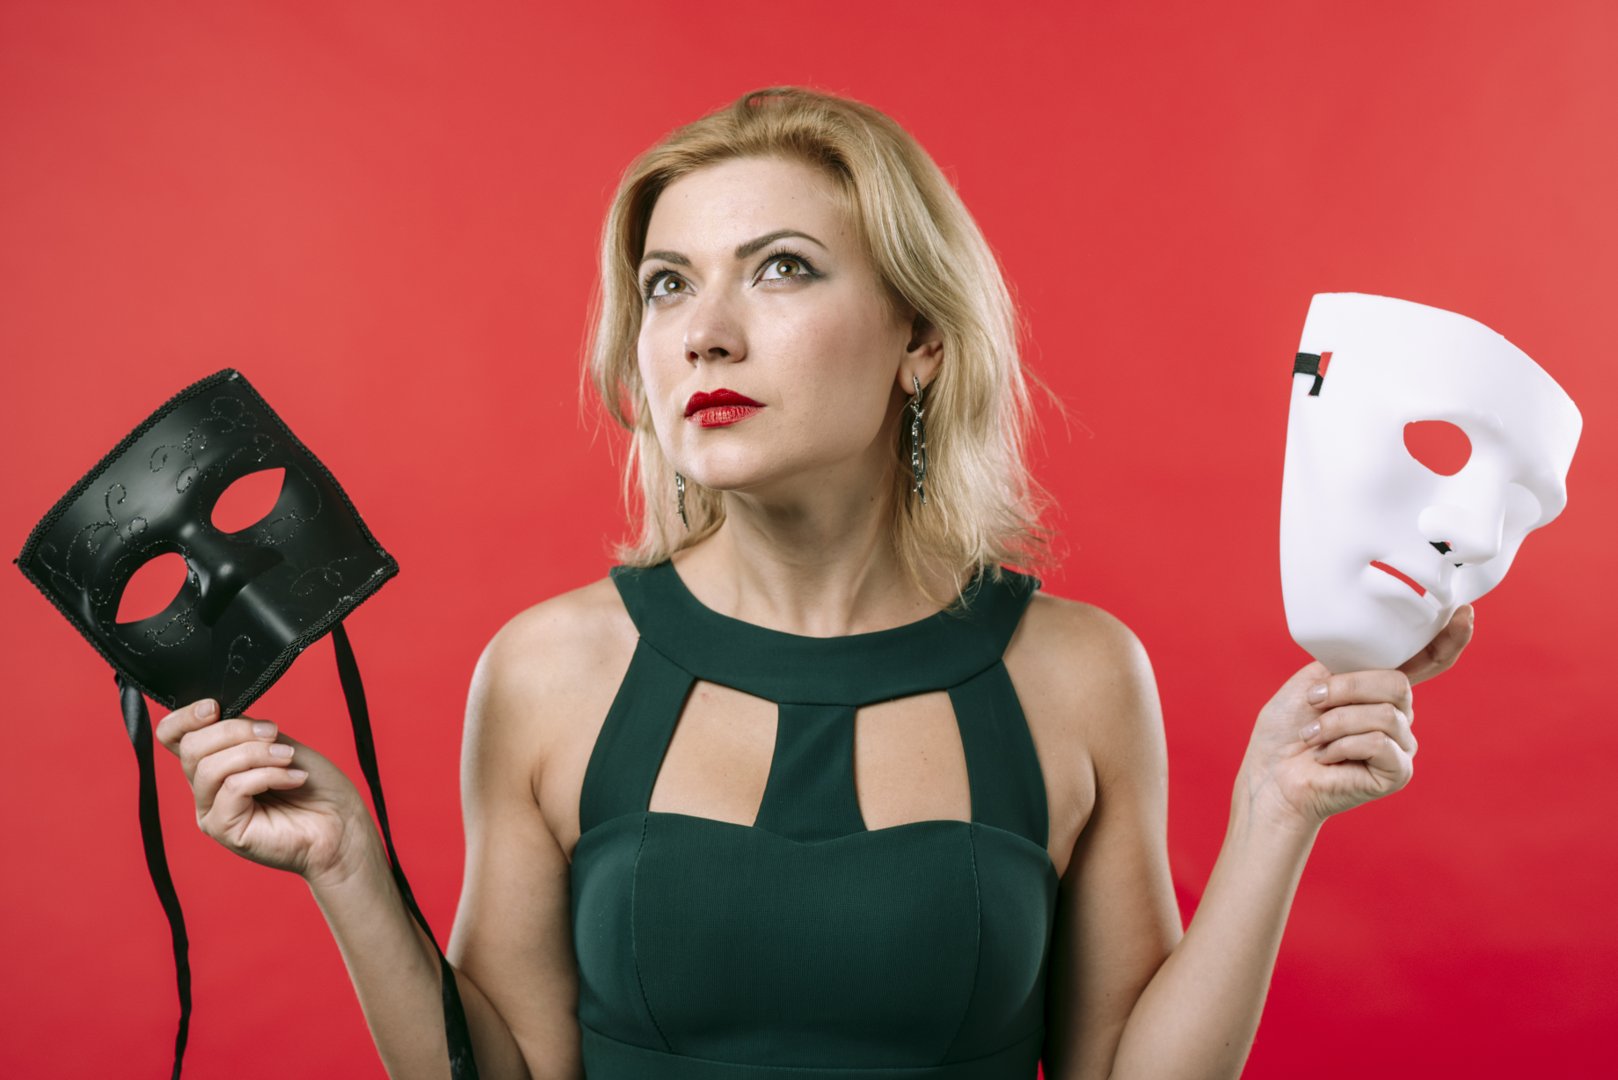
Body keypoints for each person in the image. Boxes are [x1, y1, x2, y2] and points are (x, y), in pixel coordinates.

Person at [154, 86, 1472, 1080]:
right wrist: (348, 869)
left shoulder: (1075, 674)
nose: (705, 332)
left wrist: (1276, 812)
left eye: (781, 268)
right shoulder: (548, 673)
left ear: (919, 339)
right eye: (667, 285)